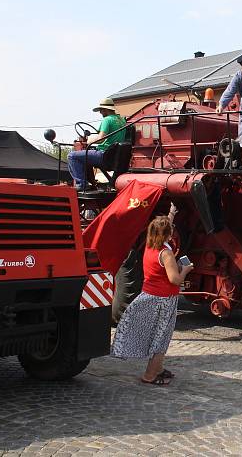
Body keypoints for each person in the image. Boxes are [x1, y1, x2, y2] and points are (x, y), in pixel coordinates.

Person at [111, 216, 194, 385]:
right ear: (168, 234)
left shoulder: (150, 247)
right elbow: (175, 280)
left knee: (156, 334)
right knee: (161, 337)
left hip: (149, 295)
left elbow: (162, 228)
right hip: (164, 300)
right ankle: (150, 375)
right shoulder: (167, 253)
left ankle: (158, 369)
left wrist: (171, 214)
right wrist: (185, 269)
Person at [67, 98, 127, 190]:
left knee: (72, 156)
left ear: (106, 109)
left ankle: (81, 184)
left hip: (104, 154)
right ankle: (92, 182)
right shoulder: (122, 121)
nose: (100, 112)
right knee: (86, 154)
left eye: (101, 110)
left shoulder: (107, 120)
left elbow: (100, 139)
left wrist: (86, 142)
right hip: (114, 156)